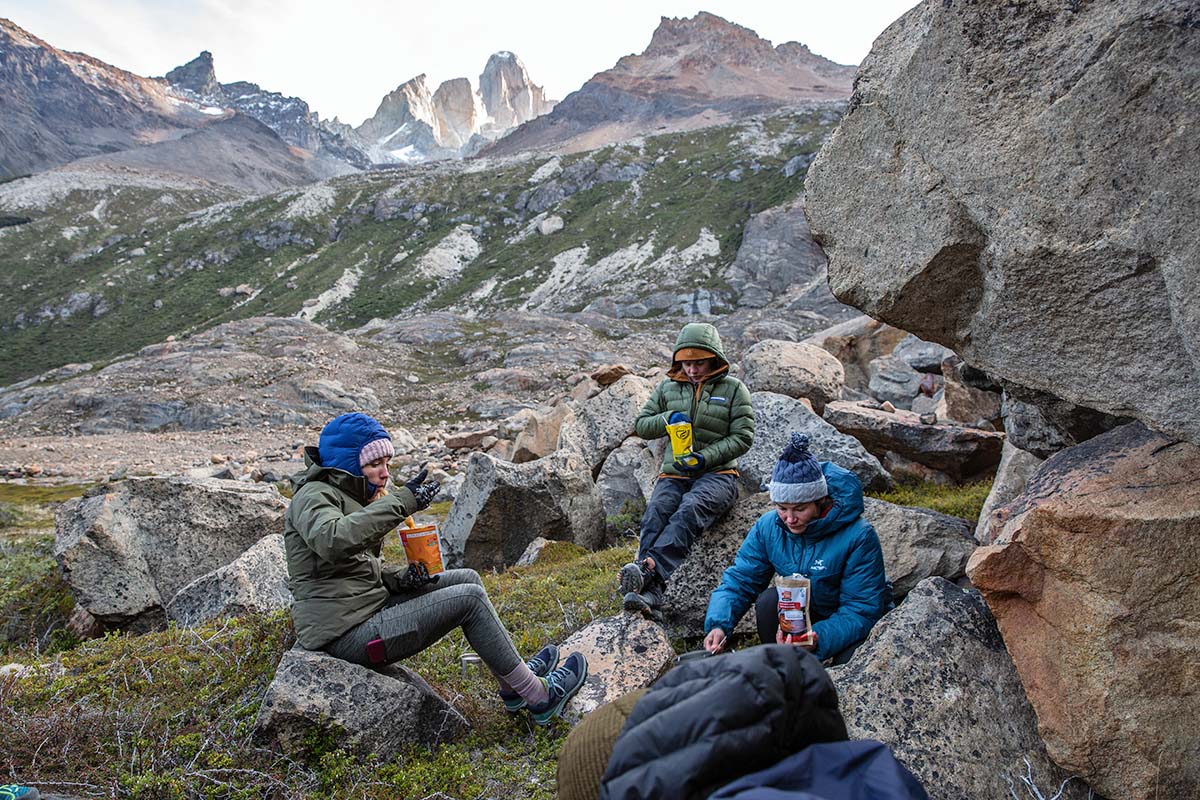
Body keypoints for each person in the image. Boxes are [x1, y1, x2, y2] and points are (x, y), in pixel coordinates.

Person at [283, 411, 587, 725]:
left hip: (361, 611)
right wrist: (401, 503)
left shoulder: (346, 496)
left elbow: (351, 572)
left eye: (387, 463)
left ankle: (512, 685)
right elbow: (334, 542)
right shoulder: (311, 497)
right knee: (468, 601)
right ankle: (539, 697)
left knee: (467, 578)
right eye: (375, 465)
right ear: (345, 464)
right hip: (343, 636)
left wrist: (401, 579)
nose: (385, 473)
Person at [702, 433, 892, 664]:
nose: (790, 519)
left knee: (852, 659)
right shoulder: (769, 527)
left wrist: (818, 638)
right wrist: (719, 625)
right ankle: (784, 670)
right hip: (801, 616)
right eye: (782, 508)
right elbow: (741, 580)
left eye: (800, 509)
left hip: (850, 620)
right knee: (769, 603)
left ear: (820, 501)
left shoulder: (859, 536)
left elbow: (861, 608)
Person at [619, 322, 754, 620]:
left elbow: (743, 437)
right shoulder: (668, 388)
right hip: (675, 473)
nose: (692, 369)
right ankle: (649, 594)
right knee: (657, 511)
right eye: (686, 362)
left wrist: (704, 458)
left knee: (690, 509)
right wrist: (668, 418)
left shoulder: (733, 390)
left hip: (719, 475)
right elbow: (642, 425)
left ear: (714, 359)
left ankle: (648, 572)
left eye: (699, 363)